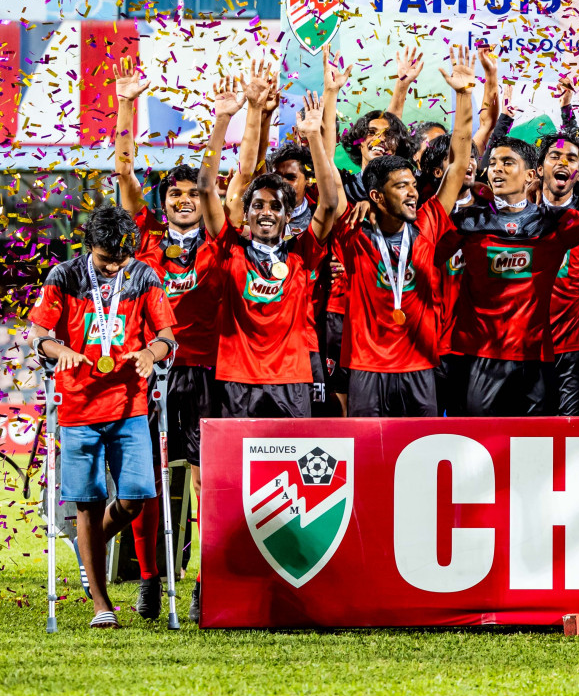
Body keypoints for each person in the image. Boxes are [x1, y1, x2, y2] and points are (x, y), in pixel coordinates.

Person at [112, 60, 235, 619]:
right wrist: (124, 105)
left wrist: (224, 120)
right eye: (175, 193)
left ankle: (210, 580)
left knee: (214, 484)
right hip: (153, 374)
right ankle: (150, 580)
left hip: (209, 373)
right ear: (162, 204)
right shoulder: (145, 243)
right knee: (151, 485)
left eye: (191, 192)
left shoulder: (216, 240)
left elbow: (213, 186)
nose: (184, 198)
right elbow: (123, 176)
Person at [27, 206, 177, 629]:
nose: (113, 267)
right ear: (89, 246)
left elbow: (167, 335)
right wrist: (61, 350)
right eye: (105, 259)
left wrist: (151, 352)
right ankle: (102, 606)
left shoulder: (144, 276)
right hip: (78, 407)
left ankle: (88, 548)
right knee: (88, 503)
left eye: (120, 259)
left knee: (135, 497)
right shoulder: (65, 276)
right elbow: (38, 334)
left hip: (129, 405)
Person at [334, 46, 475, 417]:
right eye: (402, 186)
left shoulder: (428, 222)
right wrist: (329, 102)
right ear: (377, 196)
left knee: (420, 464)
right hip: (367, 368)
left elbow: (459, 162)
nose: (413, 191)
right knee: (368, 465)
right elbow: (332, 194)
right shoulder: (355, 231)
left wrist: (463, 96)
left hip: (419, 367)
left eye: (414, 184)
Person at [199, 84, 344, 419]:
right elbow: (207, 188)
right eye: (258, 205)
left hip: (291, 377)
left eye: (275, 206)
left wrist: (314, 138)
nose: (266, 211)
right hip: (237, 376)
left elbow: (330, 202)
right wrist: (222, 120)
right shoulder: (229, 248)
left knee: (294, 465)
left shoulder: (302, 252)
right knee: (238, 469)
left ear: (287, 213)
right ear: (246, 212)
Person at [449, 126, 579, 415]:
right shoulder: (466, 222)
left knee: (536, 450)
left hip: (536, 360)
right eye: (491, 164)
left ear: (531, 175)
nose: (497, 170)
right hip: (479, 357)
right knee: (479, 447)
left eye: (507, 163)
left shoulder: (557, 223)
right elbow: (419, 245)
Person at [538, 125, 579, 415]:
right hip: (525, 348)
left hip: (573, 347)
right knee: (527, 436)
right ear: (539, 169)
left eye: (572, 159)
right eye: (555, 156)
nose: (563, 163)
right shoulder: (512, 219)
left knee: (574, 435)